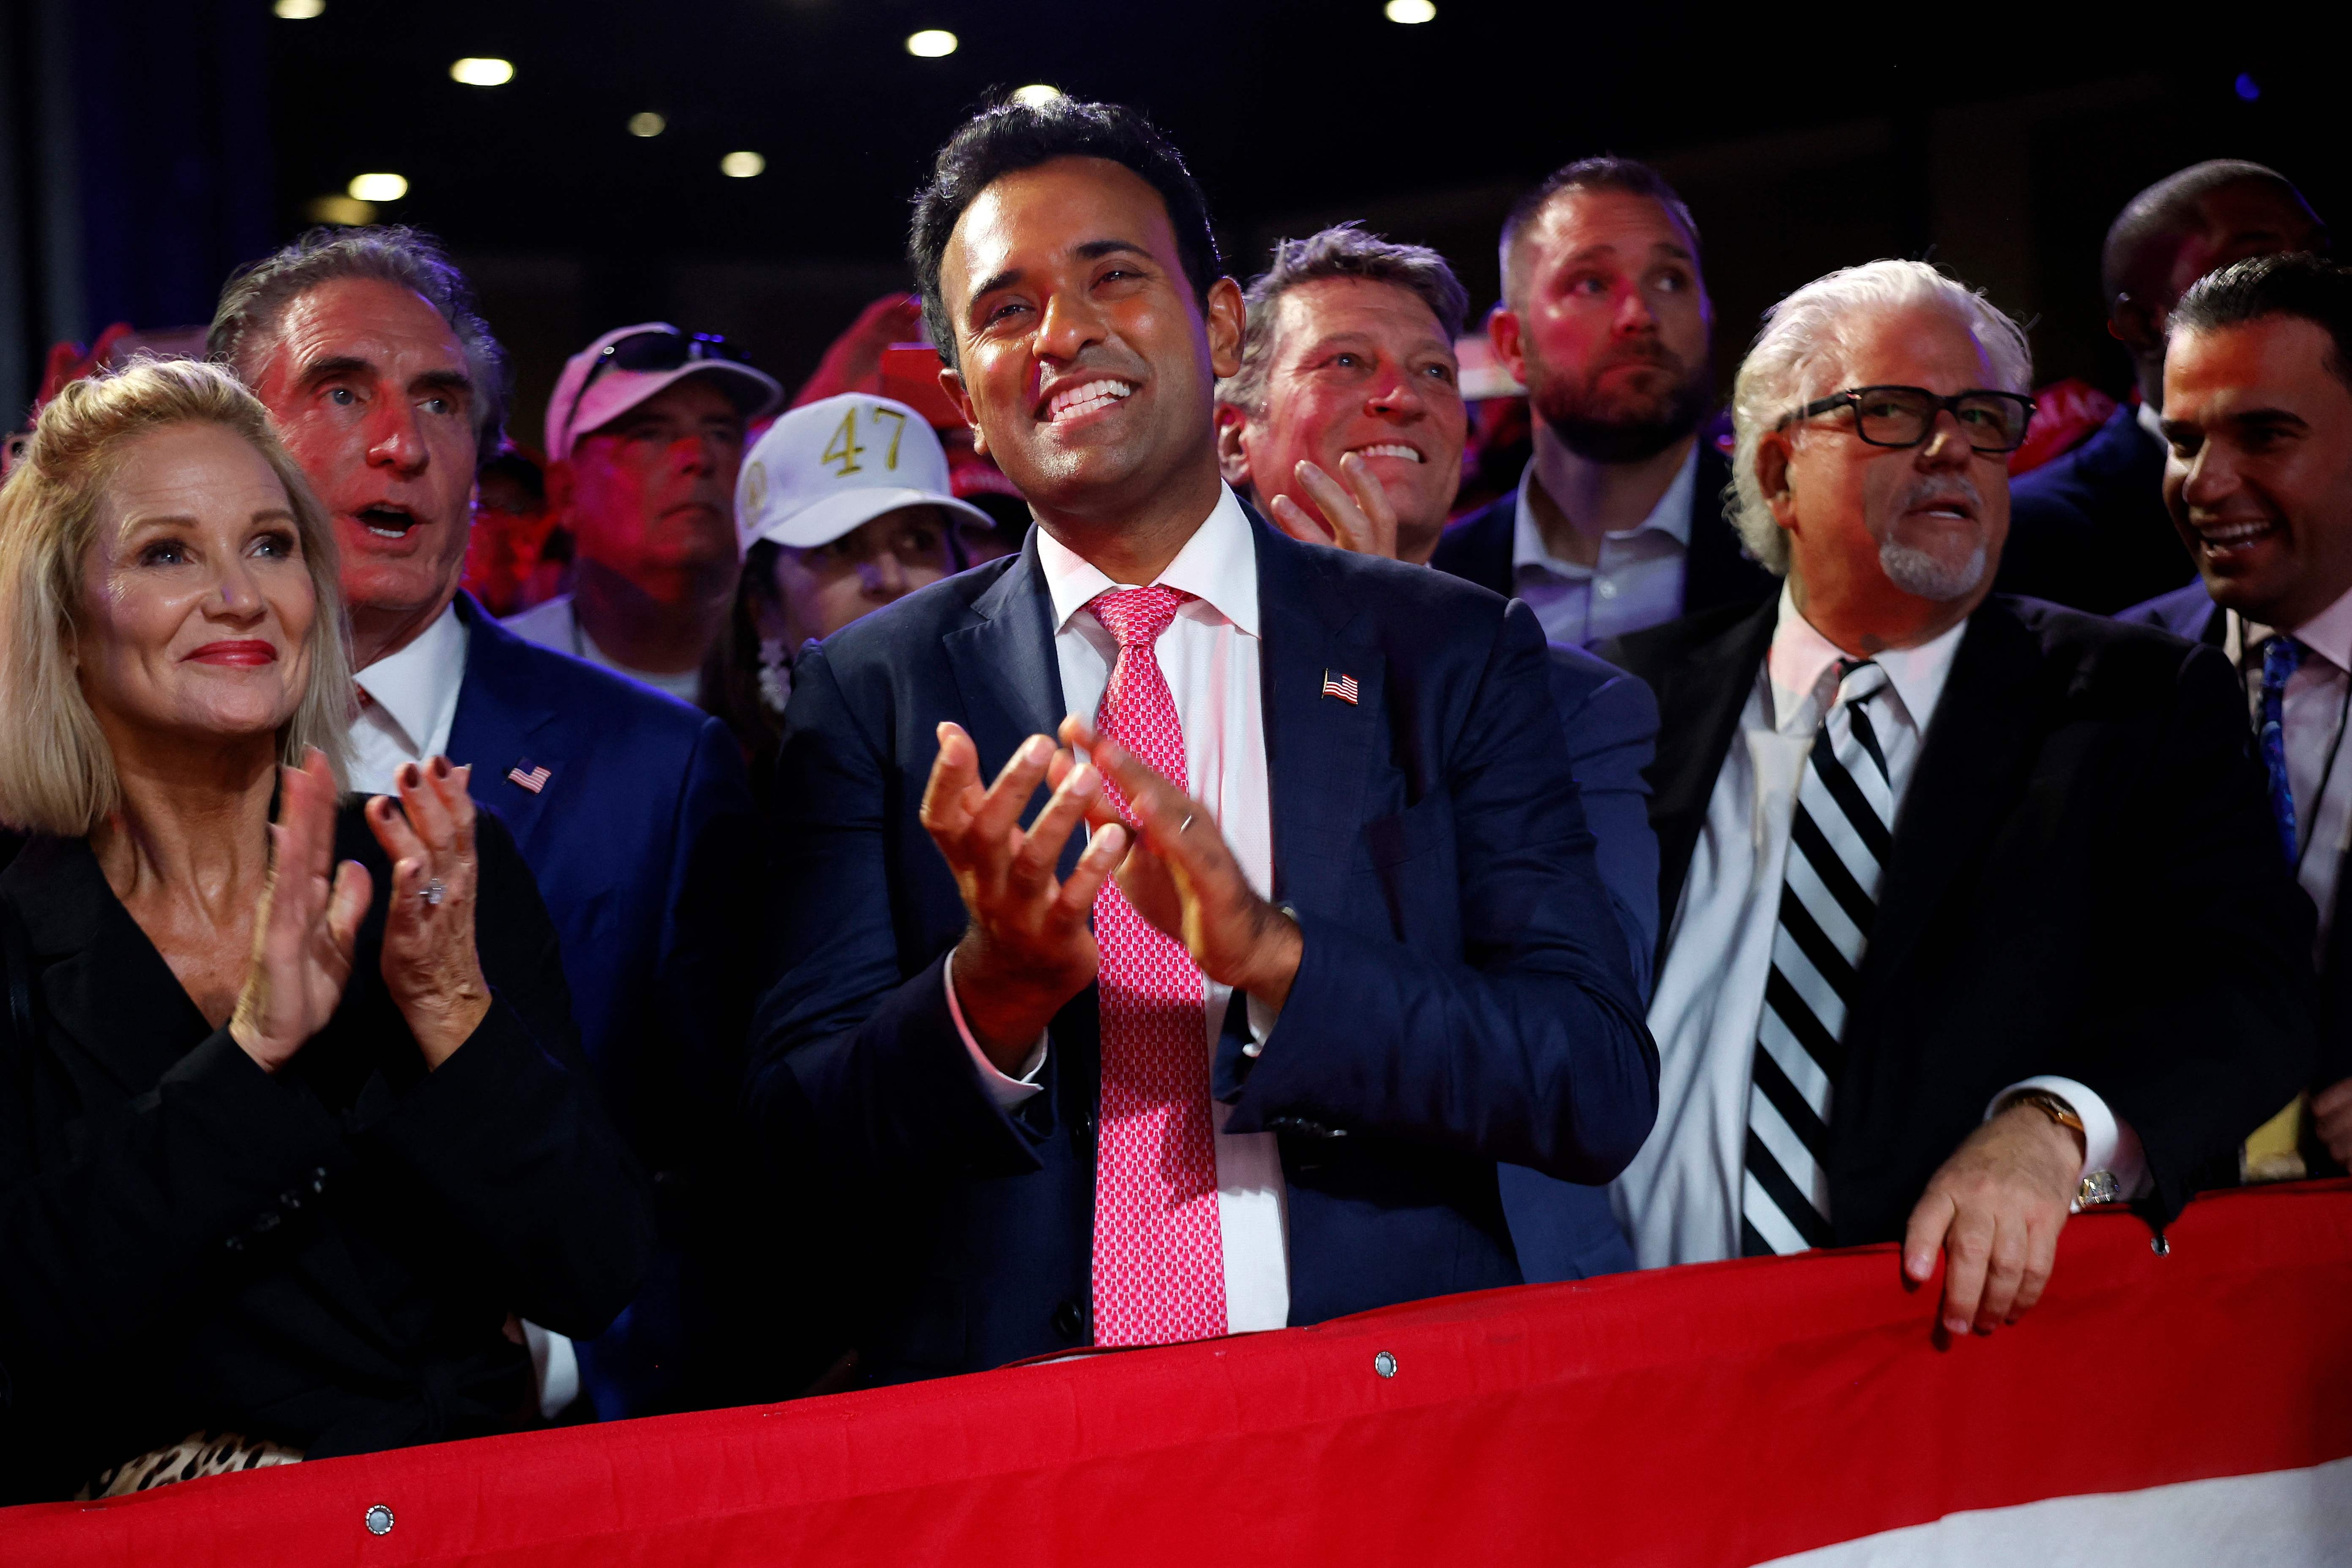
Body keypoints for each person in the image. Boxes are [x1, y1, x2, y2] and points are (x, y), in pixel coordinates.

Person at [749, 96, 1657, 1384]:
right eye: (1006, 310)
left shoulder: (1447, 651)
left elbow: (1592, 1081)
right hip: (1022, 1448)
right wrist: (993, 989)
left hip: (1378, 1423)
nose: (1061, 333)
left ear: (1220, 324)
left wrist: (1273, 955)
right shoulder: (876, 691)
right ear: (962, 396)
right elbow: (794, 1150)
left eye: (1111, 275)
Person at [1602, 260, 2314, 1339]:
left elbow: (2248, 991)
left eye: (1983, 418)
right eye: (1891, 412)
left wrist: (2053, 1125)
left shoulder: (2134, 703)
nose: (1952, 448)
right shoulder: (1621, 706)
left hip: (1966, 1389)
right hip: (1625, 1366)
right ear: (1780, 470)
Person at [0, 359, 651, 1503]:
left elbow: (592, 1270)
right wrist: (250, 1059)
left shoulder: (438, 867)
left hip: (469, 1525)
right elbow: (26, 1322)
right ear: (59, 623)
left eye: (270, 544)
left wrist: (452, 1011)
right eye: (168, 553)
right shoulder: (13, 925)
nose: (240, 596)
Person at [207, 228, 762, 1418]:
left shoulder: (657, 774)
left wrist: (563, 1360)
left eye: (442, 403)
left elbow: (726, 1187)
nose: (400, 444)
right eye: (341, 391)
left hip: (551, 1465)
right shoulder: (130, 766)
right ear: (231, 442)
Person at [1214, 221, 1660, 1279]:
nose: (1401, 395)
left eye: (1429, 372)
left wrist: (1379, 650)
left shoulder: (1585, 709)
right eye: (1344, 364)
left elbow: (1576, 1029)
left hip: (1493, 1274)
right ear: (1235, 432)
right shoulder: (1151, 674)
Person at [2119, 252, 2352, 1178]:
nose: (2206, 484)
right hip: (2165, 1274)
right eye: (2183, 441)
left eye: (2263, 435)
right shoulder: (2097, 688)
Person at [1430, 158, 1775, 645]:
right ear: (1512, 344)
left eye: (1669, 279)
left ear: (1707, 317)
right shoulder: (1437, 588)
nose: (1638, 315)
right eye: (1591, 283)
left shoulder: (1793, 558)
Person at [1996, 161, 2327, 613]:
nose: (2310, 290)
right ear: (2146, 324)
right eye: (2252, 269)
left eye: (2318, 255)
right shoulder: (2035, 531)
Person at [704, 391, 994, 806]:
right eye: (838, 548)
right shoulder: (712, 802)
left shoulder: (1031, 746)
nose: (891, 579)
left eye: (919, 541)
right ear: (762, 607)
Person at [505, 324, 784, 700]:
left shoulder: (810, 674)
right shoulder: (494, 676)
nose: (699, 458)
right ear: (566, 493)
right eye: (649, 434)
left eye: (722, 434)